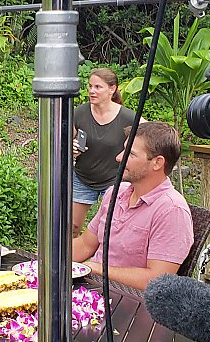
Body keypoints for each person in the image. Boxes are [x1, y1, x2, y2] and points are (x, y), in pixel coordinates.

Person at [72, 122, 195, 291]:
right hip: (91, 289)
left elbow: (156, 280)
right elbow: (86, 244)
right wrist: (46, 261)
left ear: (157, 163)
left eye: (130, 154)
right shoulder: (116, 193)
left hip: (128, 306)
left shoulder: (172, 211)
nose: (119, 157)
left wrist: (94, 269)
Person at [72, 68, 136, 236]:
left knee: (112, 229)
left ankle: (105, 260)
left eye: (98, 87)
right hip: (83, 177)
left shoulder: (128, 117)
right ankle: (68, 260)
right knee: (72, 227)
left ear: (112, 89)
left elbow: (151, 138)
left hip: (114, 180)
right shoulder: (79, 113)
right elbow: (63, 141)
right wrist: (71, 148)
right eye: (90, 86)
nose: (92, 91)